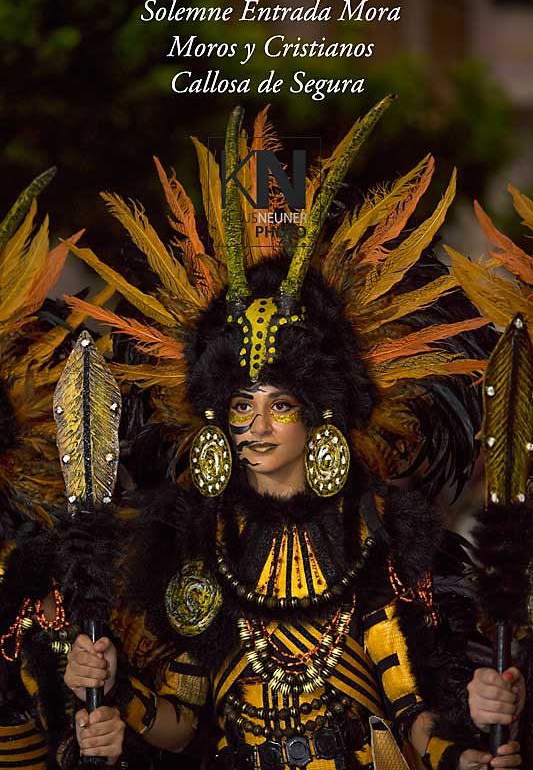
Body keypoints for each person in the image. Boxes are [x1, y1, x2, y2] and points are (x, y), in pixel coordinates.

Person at [60, 101, 524, 768]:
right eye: (240, 405)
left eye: (279, 405)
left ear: (319, 414)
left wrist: (460, 756)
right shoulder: (204, 542)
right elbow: (180, 723)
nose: (255, 426)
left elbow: (409, 709)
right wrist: (115, 692)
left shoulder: (373, 532)